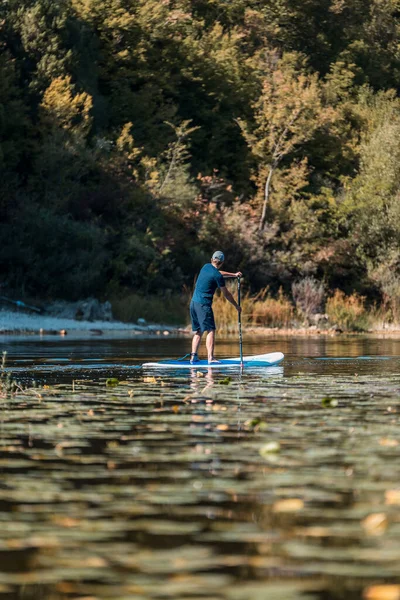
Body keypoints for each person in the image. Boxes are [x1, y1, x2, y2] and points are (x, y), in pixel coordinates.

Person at [190, 251, 242, 364]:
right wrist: (236, 306)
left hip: (193, 303)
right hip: (203, 305)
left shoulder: (206, 267)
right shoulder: (217, 275)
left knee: (199, 330)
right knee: (211, 330)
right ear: (222, 262)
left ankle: (193, 357)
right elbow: (226, 294)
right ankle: (210, 358)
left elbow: (218, 273)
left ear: (212, 259)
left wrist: (233, 275)